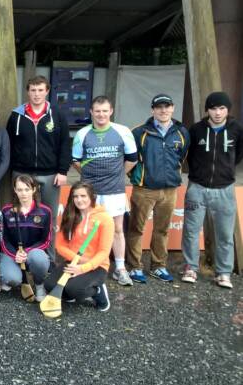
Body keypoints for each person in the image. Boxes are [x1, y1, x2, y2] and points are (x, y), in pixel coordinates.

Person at [71, 96, 137, 286]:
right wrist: (89, 177)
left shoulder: (122, 131)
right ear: (91, 112)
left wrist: (117, 175)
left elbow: (132, 159)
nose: (101, 114)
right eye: (97, 111)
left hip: (114, 190)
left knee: (117, 229)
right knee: (86, 229)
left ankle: (120, 269)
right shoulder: (82, 134)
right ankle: (86, 265)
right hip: (89, 192)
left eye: (105, 111)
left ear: (111, 111)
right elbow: (75, 160)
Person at [181, 91, 243, 289]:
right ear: (207, 110)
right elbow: (189, 155)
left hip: (224, 189)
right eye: (213, 108)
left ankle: (223, 273)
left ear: (227, 110)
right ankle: (190, 268)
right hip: (197, 188)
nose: (217, 112)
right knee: (191, 230)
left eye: (222, 108)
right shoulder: (196, 129)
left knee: (225, 234)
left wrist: (225, 172)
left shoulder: (237, 129)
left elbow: (238, 154)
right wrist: (198, 173)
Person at [126, 94, 189, 284]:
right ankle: (134, 267)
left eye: (167, 106)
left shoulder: (182, 132)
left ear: (173, 108)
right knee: (136, 228)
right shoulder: (138, 132)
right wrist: (138, 178)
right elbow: (130, 159)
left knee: (162, 230)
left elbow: (182, 157)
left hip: (170, 190)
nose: (163, 110)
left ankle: (158, 266)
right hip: (144, 189)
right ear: (153, 110)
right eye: (159, 107)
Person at [6, 75, 70, 259]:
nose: (36, 94)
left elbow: (65, 144)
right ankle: (20, 254)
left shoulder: (56, 114)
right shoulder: (17, 115)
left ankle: (49, 257)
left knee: (48, 216)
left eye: (40, 90)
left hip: (50, 173)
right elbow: (10, 144)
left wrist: (63, 171)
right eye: (33, 90)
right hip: (22, 172)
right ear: (28, 91)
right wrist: (11, 171)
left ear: (47, 91)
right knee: (21, 214)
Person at [44, 182, 114, 312]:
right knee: (49, 285)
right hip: (74, 261)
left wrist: (83, 268)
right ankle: (69, 295)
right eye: (76, 196)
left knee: (75, 289)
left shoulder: (105, 219)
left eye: (83, 196)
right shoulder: (70, 215)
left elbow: (104, 252)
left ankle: (98, 291)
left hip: (97, 265)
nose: (79, 200)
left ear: (92, 196)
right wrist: (78, 260)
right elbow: (60, 245)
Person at [0, 174, 53, 301]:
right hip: (12, 253)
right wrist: (15, 254)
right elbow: (3, 240)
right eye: (20, 189)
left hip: (33, 253)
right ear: (15, 190)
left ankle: (39, 285)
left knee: (39, 259)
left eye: (27, 189)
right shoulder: (6, 210)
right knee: (11, 278)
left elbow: (46, 240)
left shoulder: (45, 211)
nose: (23, 193)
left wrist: (26, 252)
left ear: (34, 189)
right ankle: (17, 278)